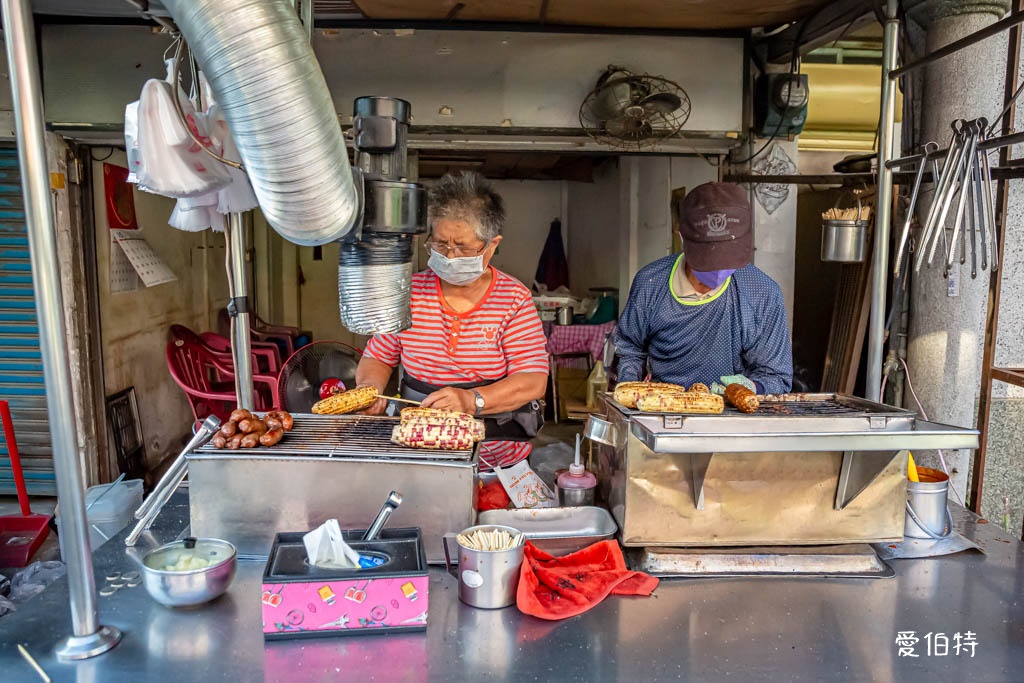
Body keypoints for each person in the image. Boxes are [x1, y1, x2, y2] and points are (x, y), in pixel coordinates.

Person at [355, 171, 549, 469]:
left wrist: (473, 401)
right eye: (440, 244)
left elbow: (532, 380)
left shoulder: (514, 299)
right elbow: (378, 357)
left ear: (491, 245)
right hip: (419, 452)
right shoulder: (408, 293)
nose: (449, 255)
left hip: (495, 458)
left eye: (462, 247)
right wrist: (370, 389)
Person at [613, 182, 792, 394]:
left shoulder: (761, 292)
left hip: (734, 419)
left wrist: (752, 388)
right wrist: (630, 388)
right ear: (681, 238)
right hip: (664, 415)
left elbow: (776, 376)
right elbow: (630, 348)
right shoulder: (651, 283)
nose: (717, 272)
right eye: (708, 261)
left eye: (726, 262)